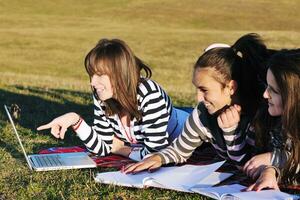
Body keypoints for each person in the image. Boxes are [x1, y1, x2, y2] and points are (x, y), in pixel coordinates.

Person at [123, 33, 275, 173]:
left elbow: (248, 166)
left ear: (230, 87)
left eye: (204, 90)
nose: (198, 99)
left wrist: (230, 131)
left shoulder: (261, 114)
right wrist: (158, 158)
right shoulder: (202, 114)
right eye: (197, 89)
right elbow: (180, 150)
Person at [37, 38, 190, 161]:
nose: (92, 82)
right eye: (91, 75)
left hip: (188, 130)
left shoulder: (149, 94)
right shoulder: (102, 96)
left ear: (120, 73)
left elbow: (156, 155)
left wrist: (121, 149)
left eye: (100, 75)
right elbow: (102, 148)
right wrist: (75, 120)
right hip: (143, 144)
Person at [244, 49, 300, 191]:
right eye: (267, 86)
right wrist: (271, 170)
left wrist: (273, 159)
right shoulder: (280, 122)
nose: (265, 94)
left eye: (273, 91)